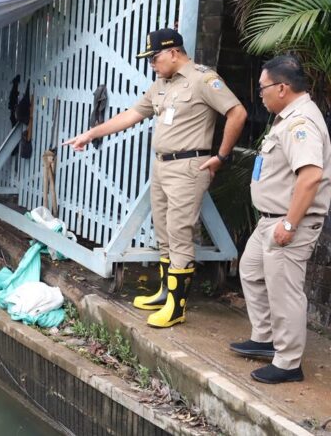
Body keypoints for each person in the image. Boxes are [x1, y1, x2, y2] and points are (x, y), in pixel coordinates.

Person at [65, 28, 247, 328]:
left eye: (155, 57)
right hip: (162, 166)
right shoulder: (161, 84)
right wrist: (91, 133)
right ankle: (164, 292)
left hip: (189, 167)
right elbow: (132, 115)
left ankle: (177, 307)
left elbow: (237, 113)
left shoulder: (203, 79)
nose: (151, 64)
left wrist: (221, 156)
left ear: (173, 52)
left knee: (179, 232)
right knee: (163, 230)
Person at [230, 55, 331, 384]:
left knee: (285, 292)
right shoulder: (286, 117)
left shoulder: (302, 123)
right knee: (252, 270)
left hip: (288, 222)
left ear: (283, 88)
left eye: (263, 89)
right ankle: (266, 339)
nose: (261, 95)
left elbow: (311, 176)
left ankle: (288, 363)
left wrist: (289, 224)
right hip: (269, 219)